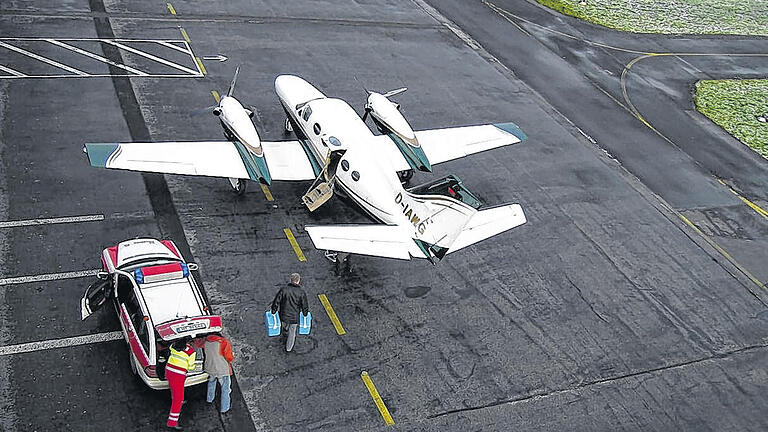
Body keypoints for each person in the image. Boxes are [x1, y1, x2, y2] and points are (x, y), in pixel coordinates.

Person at [270, 273, 309, 352]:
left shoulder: (284, 290)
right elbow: (304, 305)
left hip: (283, 314)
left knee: (285, 325)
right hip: (294, 317)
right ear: (298, 281)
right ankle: (288, 348)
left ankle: (285, 331)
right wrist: (305, 313)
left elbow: (277, 301)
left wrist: (273, 311)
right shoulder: (301, 292)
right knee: (292, 333)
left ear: (290, 280)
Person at [165, 338, 196, 430]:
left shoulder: (173, 346)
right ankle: (172, 422)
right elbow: (191, 367)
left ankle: (177, 398)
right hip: (178, 375)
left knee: (175, 390)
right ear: (189, 343)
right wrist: (193, 366)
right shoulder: (191, 352)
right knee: (178, 399)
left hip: (169, 370)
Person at [204, 333, 235, 413]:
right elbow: (229, 357)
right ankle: (225, 408)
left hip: (210, 368)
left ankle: (209, 399)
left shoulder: (206, 342)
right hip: (222, 369)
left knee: (211, 383)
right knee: (225, 389)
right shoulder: (223, 342)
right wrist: (232, 356)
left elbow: (196, 343)